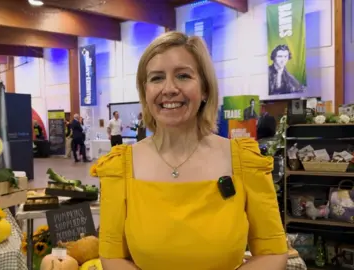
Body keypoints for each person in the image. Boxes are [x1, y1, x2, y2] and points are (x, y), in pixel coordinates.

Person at [90, 32, 287, 270]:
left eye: (183, 76)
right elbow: (112, 255)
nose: (169, 88)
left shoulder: (244, 161)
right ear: (145, 92)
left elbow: (272, 251)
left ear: (204, 89)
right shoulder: (120, 167)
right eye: (156, 78)